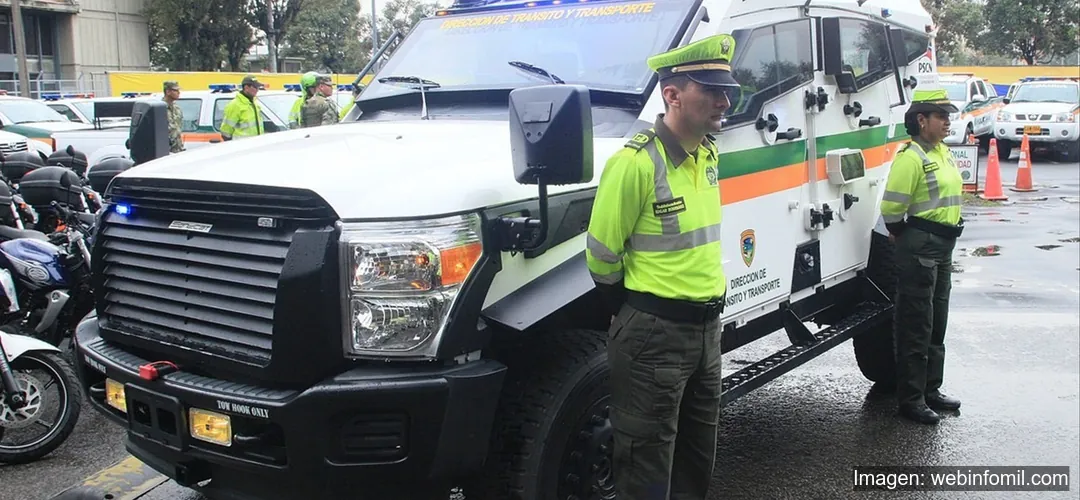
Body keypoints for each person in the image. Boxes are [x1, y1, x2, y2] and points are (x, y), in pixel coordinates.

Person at [585, 34, 739, 499]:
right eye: (710, 90)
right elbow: (601, 256)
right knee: (646, 466)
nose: (723, 101)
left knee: (697, 458)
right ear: (672, 95)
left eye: (726, 90)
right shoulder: (634, 164)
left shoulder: (707, 153)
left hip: (706, 330)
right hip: (655, 334)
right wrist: (635, 309)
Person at [880, 88, 964, 425]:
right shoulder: (911, 157)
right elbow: (891, 210)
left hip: (942, 247)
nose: (947, 121)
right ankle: (911, 399)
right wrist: (906, 235)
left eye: (948, 116)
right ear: (921, 119)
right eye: (941, 116)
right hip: (920, 246)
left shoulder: (942, 152)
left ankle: (931, 388)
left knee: (936, 322)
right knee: (917, 324)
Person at [219, 75, 265, 141]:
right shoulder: (235, 105)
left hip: (256, 145)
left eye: (258, 87)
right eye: (255, 87)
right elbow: (226, 132)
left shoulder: (254, 103)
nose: (257, 90)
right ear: (246, 87)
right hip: (242, 147)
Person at [162, 80, 184, 153]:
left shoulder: (177, 108)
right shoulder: (160, 109)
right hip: (166, 150)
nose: (179, 92)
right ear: (168, 92)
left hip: (178, 149)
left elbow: (178, 128)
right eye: (176, 90)